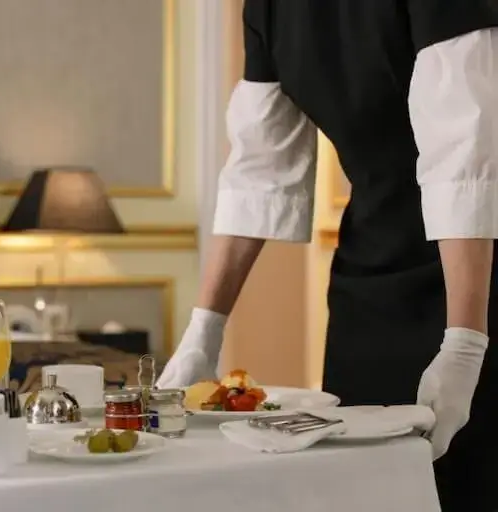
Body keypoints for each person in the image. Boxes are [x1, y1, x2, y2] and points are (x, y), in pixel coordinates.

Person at [156, 1, 498, 510]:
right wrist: (203, 331)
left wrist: (466, 344)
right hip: (370, 275)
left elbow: (467, 157)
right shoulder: (269, 8)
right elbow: (258, 170)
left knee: (472, 483)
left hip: (477, 271)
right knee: (361, 486)